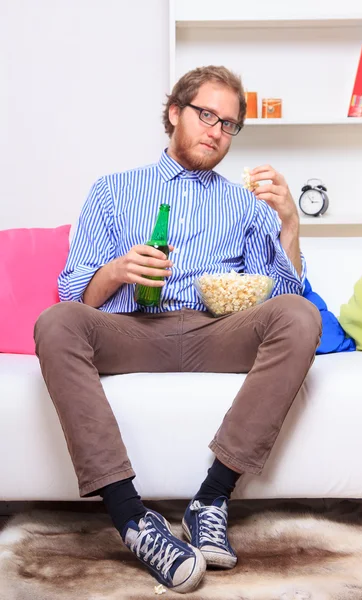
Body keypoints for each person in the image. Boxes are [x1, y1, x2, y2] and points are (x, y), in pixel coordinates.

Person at [34, 65, 321, 594]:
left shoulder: (244, 203)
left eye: (229, 124)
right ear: (174, 114)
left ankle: (211, 499)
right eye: (206, 114)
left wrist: (288, 225)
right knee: (55, 323)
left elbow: (284, 296)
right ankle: (133, 521)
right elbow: (74, 294)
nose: (216, 130)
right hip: (132, 329)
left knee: (302, 316)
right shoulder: (114, 191)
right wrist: (116, 270)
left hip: (217, 332)